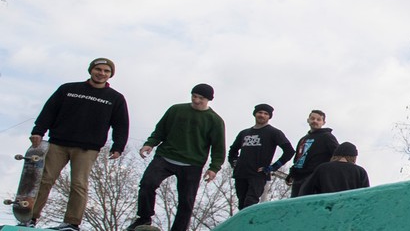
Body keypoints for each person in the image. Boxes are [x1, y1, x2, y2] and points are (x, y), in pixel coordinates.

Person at [28, 58, 129, 231]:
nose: (101, 73)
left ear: (110, 74)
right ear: (91, 70)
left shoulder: (115, 98)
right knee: (45, 180)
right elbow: (49, 110)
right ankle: (30, 218)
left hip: (87, 148)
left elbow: (121, 124)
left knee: (79, 184)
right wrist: (38, 130)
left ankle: (71, 223)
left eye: (106, 71)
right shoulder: (68, 89)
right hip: (58, 143)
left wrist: (118, 146)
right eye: (98, 69)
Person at [126, 84, 226, 231]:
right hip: (166, 156)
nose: (197, 100)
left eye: (201, 98)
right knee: (147, 183)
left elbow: (218, 147)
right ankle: (144, 217)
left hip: (192, 163)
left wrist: (214, 168)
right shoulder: (176, 110)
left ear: (209, 99)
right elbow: (160, 130)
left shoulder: (215, 120)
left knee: (186, 201)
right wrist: (150, 144)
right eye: (194, 96)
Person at [227, 103, 294, 210]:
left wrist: (273, 167)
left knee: (250, 203)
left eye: (265, 113)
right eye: (260, 112)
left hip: (258, 174)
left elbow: (289, 151)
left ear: (269, 116)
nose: (262, 115)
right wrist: (234, 162)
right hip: (241, 173)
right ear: (255, 114)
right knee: (241, 204)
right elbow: (233, 150)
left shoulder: (274, 132)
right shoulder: (244, 133)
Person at [286, 109, 339, 197]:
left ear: (323, 122)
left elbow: (337, 154)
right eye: (312, 118)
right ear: (308, 120)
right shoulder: (303, 139)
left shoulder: (327, 137)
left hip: (313, 177)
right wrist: (291, 174)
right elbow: (298, 158)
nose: (315, 121)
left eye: (318, 119)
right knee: (295, 204)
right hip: (298, 178)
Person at [298, 141, 369, 196]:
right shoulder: (360, 171)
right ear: (354, 157)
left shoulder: (322, 168)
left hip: (325, 209)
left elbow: (306, 191)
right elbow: (366, 195)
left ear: (335, 154)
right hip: (350, 210)